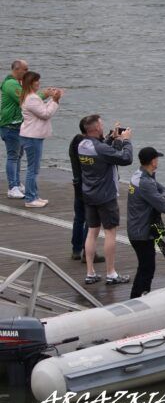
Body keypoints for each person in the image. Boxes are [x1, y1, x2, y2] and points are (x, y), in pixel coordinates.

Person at [78, 114, 134, 285]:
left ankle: (90, 272)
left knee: (92, 232)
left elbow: (102, 151)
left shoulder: (82, 145)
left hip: (89, 193)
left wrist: (111, 137)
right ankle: (111, 273)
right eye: (101, 125)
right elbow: (125, 158)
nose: (103, 127)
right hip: (105, 196)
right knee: (110, 232)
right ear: (95, 128)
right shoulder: (101, 149)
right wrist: (125, 141)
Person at [127, 147, 165, 298]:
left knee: (146, 267)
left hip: (137, 229)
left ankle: (141, 296)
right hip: (141, 233)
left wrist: (161, 196)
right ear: (152, 161)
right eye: (157, 158)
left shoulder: (140, 175)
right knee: (146, 268)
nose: (158, 160)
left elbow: (162, 190)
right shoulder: (146, 182)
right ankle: (136, 299)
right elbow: (162, 206)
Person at [18, 72, 61, 208]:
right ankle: (31, 198)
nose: (39, 83)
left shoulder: (30, 97)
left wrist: (51, 100)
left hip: (31, 136)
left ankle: (34, 195)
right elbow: (46, 114)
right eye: (37, 81)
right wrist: (54, 100)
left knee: (34, 168)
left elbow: (42, 110)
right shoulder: (32, 98)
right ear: (31, 82)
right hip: (32, 137)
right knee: (33, 169)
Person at [68, 118, 102, 263]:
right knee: (91, 219)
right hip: (90, 187)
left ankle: (76, 250)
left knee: (79, 218)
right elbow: (102, 156)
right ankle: (88, 251)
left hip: (78, 184)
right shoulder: (87, 146)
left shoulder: (75, 143)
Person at [1, 59, 29, 199]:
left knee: (18, 156)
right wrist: (45, 95)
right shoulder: (11, 84)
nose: (27, 72)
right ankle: (12, 187)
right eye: (25, 69)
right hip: (10, 126)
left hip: (18, 126)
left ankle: (17, 183)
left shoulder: (18, 83)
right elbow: (24, 100)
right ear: (17, 69)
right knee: (13, 156)